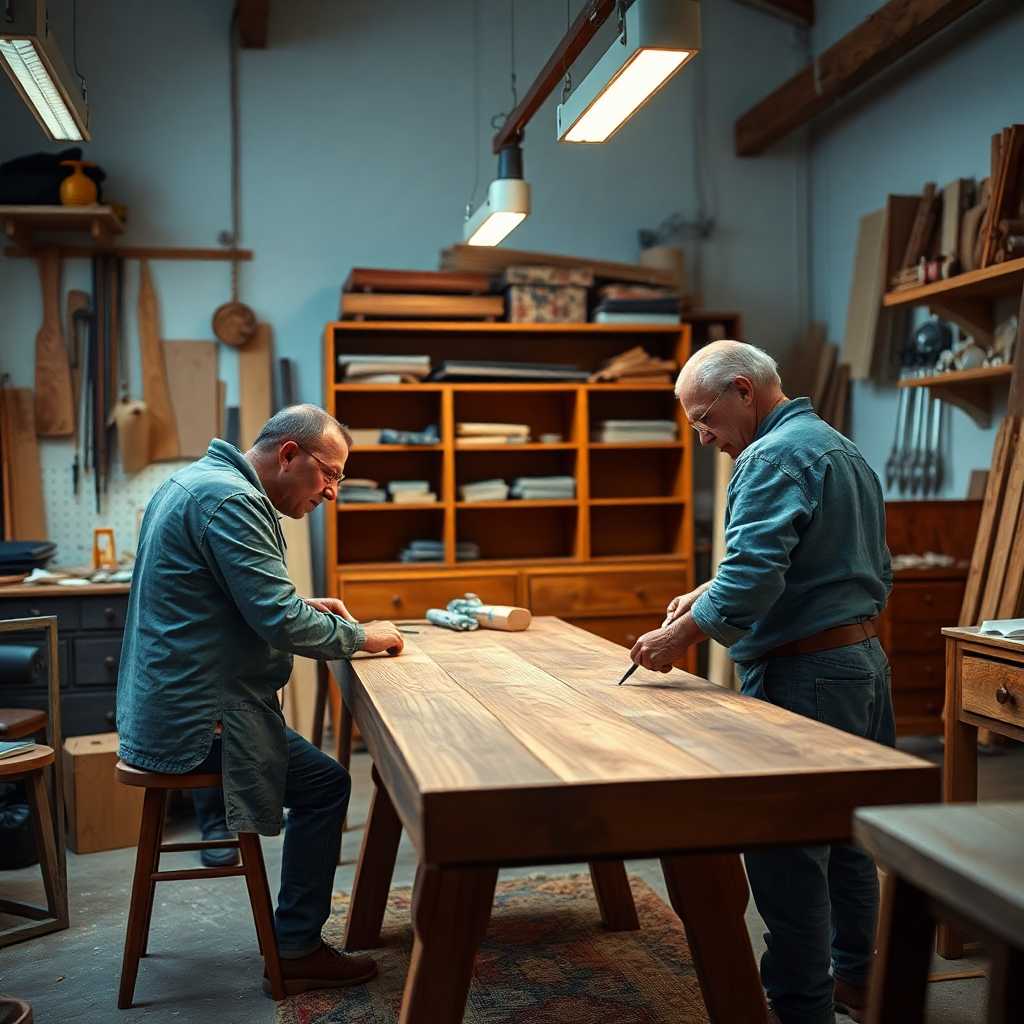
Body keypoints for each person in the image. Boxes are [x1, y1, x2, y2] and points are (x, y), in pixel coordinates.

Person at [628, 341, 893, 1024]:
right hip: (859, 663)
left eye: (704, 420)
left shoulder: (770, 456)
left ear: (744, 390)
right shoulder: (836, 445)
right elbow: (804, 561)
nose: (704, 438)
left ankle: (799, 1007)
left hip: (806, 674)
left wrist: (676, 637)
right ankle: (860, 981)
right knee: (849, 838)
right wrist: (707, 591)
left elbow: (753, 577)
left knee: (785, 850)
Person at [117, 404, 404, 996]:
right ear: (290, 455)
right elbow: (278, 622)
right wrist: (362, 636)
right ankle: (296, 949)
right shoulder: (233, 501)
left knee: (323, 777)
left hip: (167, 710)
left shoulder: (198, 481)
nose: (331, 492)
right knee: (328, 784)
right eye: (330, 475)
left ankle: (298, 939)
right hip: (197, 725)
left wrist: (305, 608)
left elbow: (240, 605)